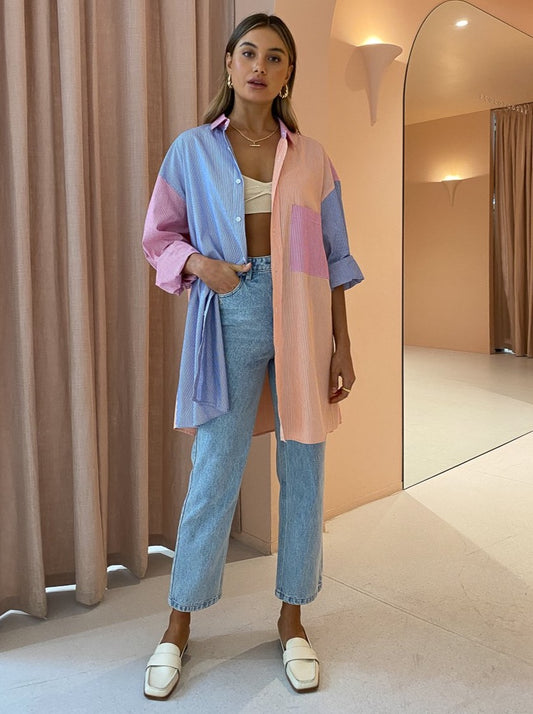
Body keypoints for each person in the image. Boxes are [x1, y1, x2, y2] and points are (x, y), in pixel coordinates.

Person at [141, 12, 363, 698]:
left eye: (274, 57)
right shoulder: (191, 149)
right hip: (229, 309)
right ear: (229, 65)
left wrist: (342, 345)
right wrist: (202, 265)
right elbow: (159, 237)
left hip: (304, 316)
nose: (260, 66)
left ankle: (292, 620)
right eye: (248, 53)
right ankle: (177, 625)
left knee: (304, 471)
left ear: (288, 73)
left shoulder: (313, 156)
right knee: (215, 469)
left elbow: (334, 258)